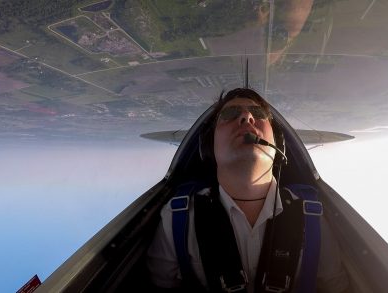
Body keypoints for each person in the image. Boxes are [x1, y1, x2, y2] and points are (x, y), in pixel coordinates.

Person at [147, 88, 350, 292]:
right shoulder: (176, 219)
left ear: (277, 142)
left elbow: (335, 287)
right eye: (230, 114)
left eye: (259, 114)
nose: (247, 117)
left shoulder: (312, 217)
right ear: (208, 146)